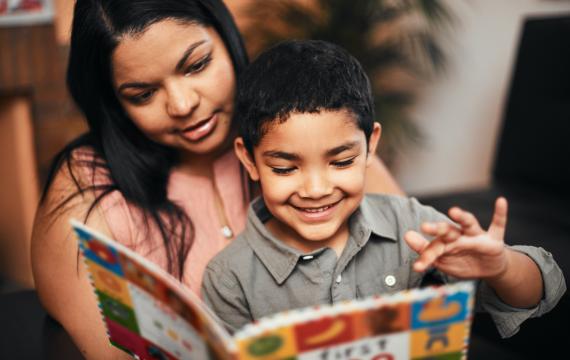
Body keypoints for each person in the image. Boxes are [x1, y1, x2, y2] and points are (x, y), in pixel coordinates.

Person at [30, 0, 403, 358]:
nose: (182, 104)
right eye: (143, 94)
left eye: (196, 65)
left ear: (226, 37)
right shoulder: (87, 191)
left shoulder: (295, 124)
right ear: (115, 103)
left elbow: (412, 264)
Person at [201, 39, 566, 334]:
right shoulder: (229, 278)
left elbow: (540, 294)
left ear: (370, 146)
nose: (315, 189)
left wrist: (502, 267)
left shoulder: (409, 224)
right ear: (249, 160)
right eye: (284, 168)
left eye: (341, 162)